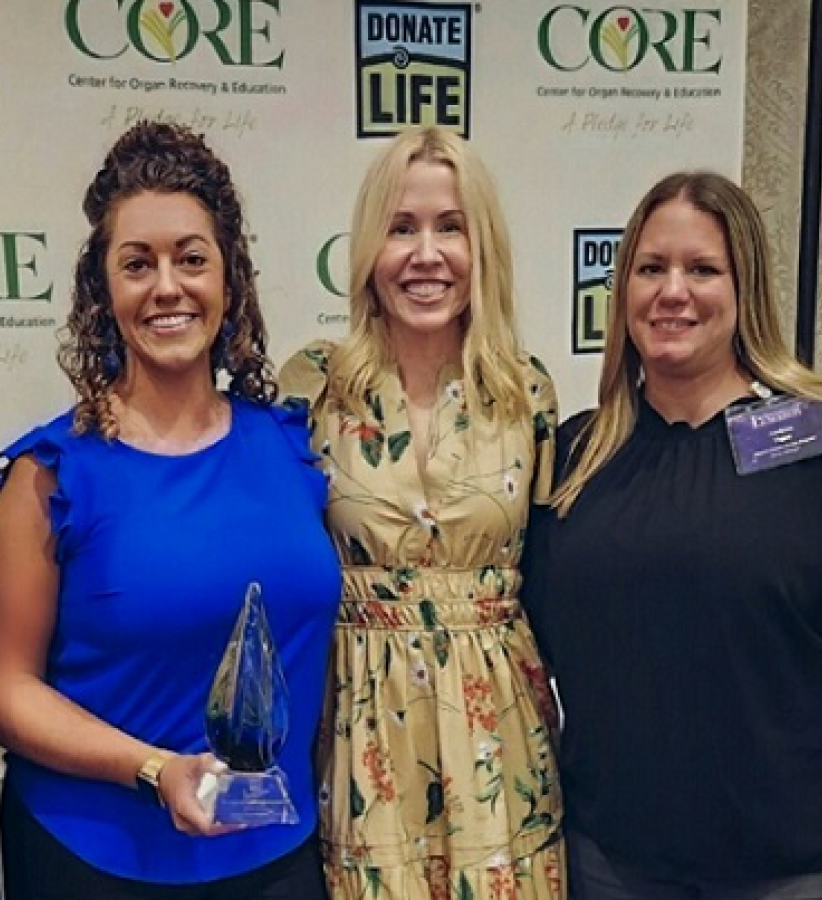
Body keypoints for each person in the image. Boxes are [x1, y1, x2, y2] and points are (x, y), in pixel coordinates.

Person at [0, 120, 341, 900]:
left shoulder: (293, 448)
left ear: (229, 280)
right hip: (96, 863)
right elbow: (2, 688)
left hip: (277, 857)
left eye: (191, 258)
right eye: (137, 263)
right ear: (104, 290)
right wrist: (152, 769)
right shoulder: (52, 474)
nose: (167, 286)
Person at [524, 171, 822, 900]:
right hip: (610, 869)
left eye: (702, 269)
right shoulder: (571, 460)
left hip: (798, 875)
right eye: (651, 269)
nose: (673, 291)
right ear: (623, 291)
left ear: (744, 288)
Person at [278, 125, 565, 900]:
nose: (425, 254)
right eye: (401, 228)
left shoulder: (525, 392)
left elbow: (556, 572)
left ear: (485, 249)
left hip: (498, 736)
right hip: (360, 723)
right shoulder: (313, 387)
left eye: (450, 227)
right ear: (370, 247)